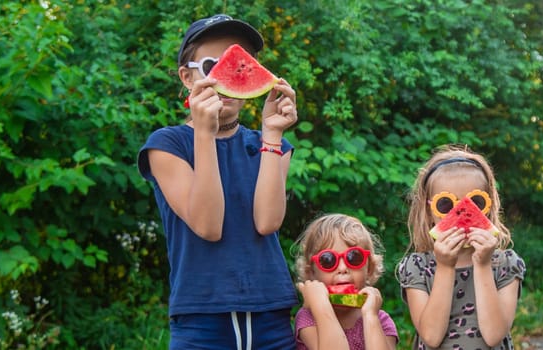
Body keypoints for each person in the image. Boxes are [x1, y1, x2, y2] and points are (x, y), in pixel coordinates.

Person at [137, 14, 299, 350]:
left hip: (271, 313)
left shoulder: (272, 144)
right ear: (186, 76)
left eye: (241, 63)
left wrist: (271, 133)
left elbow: (267, 222)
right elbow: (208, 225)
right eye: (212, 63)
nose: (227, 73)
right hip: (201, 320)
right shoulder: (167, 145)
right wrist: (205, 135)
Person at [397, 145, 527, 350]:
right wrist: (445, 267)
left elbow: (494, 335)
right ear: (429, 212)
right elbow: (431, 336)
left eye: (475, 203)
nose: (460, 213)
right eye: (445, 205)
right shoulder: (417, 266)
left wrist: (483, 265)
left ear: (489, 206)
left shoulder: (505, 264)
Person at [293, 213, 399, 350]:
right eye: (328, 260)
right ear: (311, 272)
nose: (343, 268)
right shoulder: (308, 318)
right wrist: (321, 305)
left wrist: (370, 317)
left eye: (354, 257)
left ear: (369, 268)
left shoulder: (380, 320)